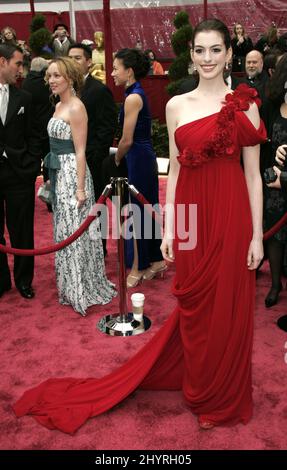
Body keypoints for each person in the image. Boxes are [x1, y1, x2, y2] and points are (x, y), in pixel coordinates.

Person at [13, 19, 267, 434]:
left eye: (215, 50)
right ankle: (201, 383)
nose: (207, 59)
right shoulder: (176, 105)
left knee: (231, 306)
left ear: (228, 54)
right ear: (191, 55)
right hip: (194, 219)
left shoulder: (246, 103)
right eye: (199, 50)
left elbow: (254, 176)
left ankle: (225, 394)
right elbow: (180, 174)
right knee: (198, 306)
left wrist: (256, 234)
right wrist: (168, 229)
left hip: (233, 215)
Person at [43, 57, 116, 315]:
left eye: (56, 76)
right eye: (49, 76)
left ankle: (82, 288)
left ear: (70, 79)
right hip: (60, 174)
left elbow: (81, 151)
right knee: (65, 230)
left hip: (75, 175)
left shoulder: (76, 107)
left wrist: (81, 189)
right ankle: (70, 286)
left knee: (77, 230)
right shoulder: (58, 105)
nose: (51, 80)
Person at [111, 48, 166, 287]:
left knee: (138, 211)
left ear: (129, 71)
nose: (112, 73)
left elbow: (126, 139)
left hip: (138, 158)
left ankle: (139, 266)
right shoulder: (135, 93)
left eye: (115, 68)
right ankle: (155, 260)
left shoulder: (133, 97)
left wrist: (116, 159)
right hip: (142, 156)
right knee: (147, 208)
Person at [68, 43, 117, 254]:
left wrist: (93, 156)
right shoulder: (63, 90)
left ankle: (100, 248)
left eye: (77, 58)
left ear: (89, 62)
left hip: (93, 162)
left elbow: (107, 127)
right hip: (68, 162)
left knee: (97, 205)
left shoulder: (99, 90)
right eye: (70, 58)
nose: (73, 62)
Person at [0, 44, 40, 300]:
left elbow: (34, 136)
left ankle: (24, 280)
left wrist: (30, 166)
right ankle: (1, 282)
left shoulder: (24, 97)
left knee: (22, 230)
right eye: (17, 64)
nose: (21, 70)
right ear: (2, 62)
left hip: (19, 175)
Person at [260, 53, 287, 307]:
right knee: (275, 238)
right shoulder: (271, 106)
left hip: (286, 181)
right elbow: (262, 145)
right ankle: (275, 284)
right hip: (274, 186)